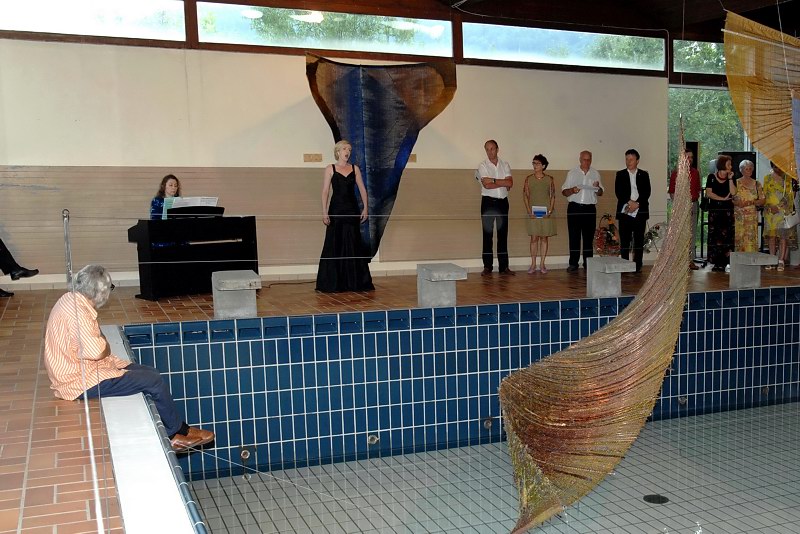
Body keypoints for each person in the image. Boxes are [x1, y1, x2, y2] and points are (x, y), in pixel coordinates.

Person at [43, 265, 214, 452]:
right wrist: (105, 345)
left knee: (151, 372)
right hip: (78, 381)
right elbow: (97, 352)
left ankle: (181, 428)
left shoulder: (70, 299)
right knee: (152, 380)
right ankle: (174, 436)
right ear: (100, 292)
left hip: (78, 369)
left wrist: (102, 343)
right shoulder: (80, 314)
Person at [316, 140, 375, 292]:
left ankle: (355, 282)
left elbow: (362, 189)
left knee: (353, 242)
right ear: (338, 151)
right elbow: (325, 191)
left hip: (352, 210)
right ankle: (334, 282)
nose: (347, 151)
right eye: (344, 149)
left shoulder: (355, 169)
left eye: (349, 149)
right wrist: (324, 212)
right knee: (335, 242)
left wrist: (365, 208)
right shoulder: (330, 168)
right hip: (336, 210)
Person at [562, 150, 604, 272]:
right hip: (574, 208)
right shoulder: (572, 173)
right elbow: (564, 191)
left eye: (589, 159)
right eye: (584, 159)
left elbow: (601, 192)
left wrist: (597, 188)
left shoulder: (595, 173)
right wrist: (572, 190)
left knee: (588, 238)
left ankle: (588, 263)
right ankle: (573, 263)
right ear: (580, 160)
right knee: (574, 237)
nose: (587, 162)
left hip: (589, 209)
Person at [477, 139, 514, 276]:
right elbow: (486, 185)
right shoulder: (482, 165)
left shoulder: (505, 164)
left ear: (497, 149)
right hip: (488, 202)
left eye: (492, 149)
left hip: (503, 202)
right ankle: (487, 266)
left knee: (503, 234)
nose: (489, 152)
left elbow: (510, 183)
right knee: (487, 235)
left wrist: (493, 180)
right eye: (487, 149)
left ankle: (504, 267)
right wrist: (502, 182)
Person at [614, 149, 651, 273]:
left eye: (631, 159)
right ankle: (624, 264)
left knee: (639, 240)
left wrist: (637, 204)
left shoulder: (644, 174)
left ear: (637, 161)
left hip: (640, 211)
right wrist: (630, 202)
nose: (628, 162)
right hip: (625, 210)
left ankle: (637, 265)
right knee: (625, 240)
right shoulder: (620, 174)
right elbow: (619, 192)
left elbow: (647, 192)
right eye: (626, 159)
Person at [668, 148, 702, 270]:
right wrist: (680, 205)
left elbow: (698, 190)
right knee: (680, 234)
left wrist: (693, 201)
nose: (690, 159)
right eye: (688, 157)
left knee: (692, 233)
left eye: (691, 157)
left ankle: (690, 260)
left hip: (693, 204)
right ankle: (679, 261)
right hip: (680, 206)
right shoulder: (675, 173)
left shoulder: (695, 172)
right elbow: (672, 192)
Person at [522, 154, 556, 274]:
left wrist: (550, 211)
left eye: (537, 163)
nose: (535, 165)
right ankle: (533, 264)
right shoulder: (528, 179)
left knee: (544, 238)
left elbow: (553, 196)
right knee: (534, 238)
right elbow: (525, 196)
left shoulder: (549, 179)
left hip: (546, 213)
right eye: (534, 163)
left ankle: (542, 264)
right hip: (533, 213)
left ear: (543, 166)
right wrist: (529, 211)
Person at [763, 162, 796, 271]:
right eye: (776, 167)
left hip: (783, 212)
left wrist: (778, 207)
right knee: (771, 237)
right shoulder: (767, 178)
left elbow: (790, 195)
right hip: (770, 212)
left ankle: (781, 261)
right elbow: (764, 195)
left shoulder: (788, 178)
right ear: (772, 166)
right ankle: (772, 260)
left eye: (780, 166)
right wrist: (770, 206)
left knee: (783, 237)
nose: (778, 169)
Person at [705, 155, 736, 272]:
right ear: (722, 165)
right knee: (715, 236)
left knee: (727, 236)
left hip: (727, 211)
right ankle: (716, 262)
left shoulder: (731, 177)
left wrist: (730, 179)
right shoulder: (711, 177)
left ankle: (725, 262)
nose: (731, 166)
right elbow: (709, 193)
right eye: (729, 164)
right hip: (715, 211)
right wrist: (722, 199)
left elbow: (733, 192)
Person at [732, 160, 764, 253]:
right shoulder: (736, 182)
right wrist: (737, 203)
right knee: (739, 238)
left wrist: (752, 202)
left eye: (750, 169)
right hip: (738, 217)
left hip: (752, 217)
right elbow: (730, 198)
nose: (749, 171)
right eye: (746, 169)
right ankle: (739, 259)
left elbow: (762, 200)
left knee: (750, 240)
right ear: (741, 170)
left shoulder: (757, 184)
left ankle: (751, 258)